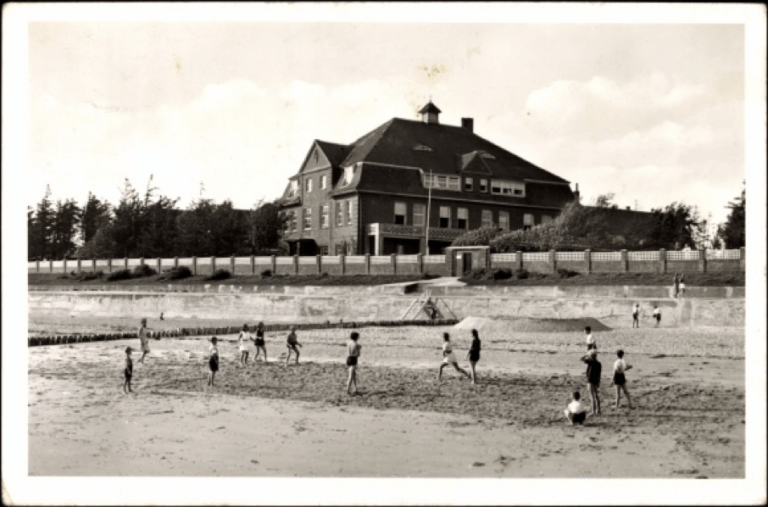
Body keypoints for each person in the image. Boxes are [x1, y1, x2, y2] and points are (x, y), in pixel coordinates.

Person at [580, 349, 602, 415]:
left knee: (591, 396)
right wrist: (598, 382)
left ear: (591, 356)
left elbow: (581, 359)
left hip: (590, 380)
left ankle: (593, 411)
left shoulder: (590, 362)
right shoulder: (599, 363)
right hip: (596, 380)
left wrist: (586, 354)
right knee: (596, 395)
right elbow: (599, 374)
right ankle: (598, 410)